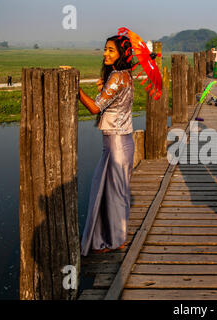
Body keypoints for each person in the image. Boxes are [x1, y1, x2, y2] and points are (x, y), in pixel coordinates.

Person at [79, 35, 135, 256]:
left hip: (117, 142)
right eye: (105, 50)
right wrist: (103, 88)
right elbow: (107, 104)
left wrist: (75, 88)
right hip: (117, 141)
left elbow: (95, 108)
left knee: (115, 192)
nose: (106, 54)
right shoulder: (124, 75)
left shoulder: (118, 77)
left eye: (111, 50)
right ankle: (107, 238)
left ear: (122, 54)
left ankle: (116, 239)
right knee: (109, 191)